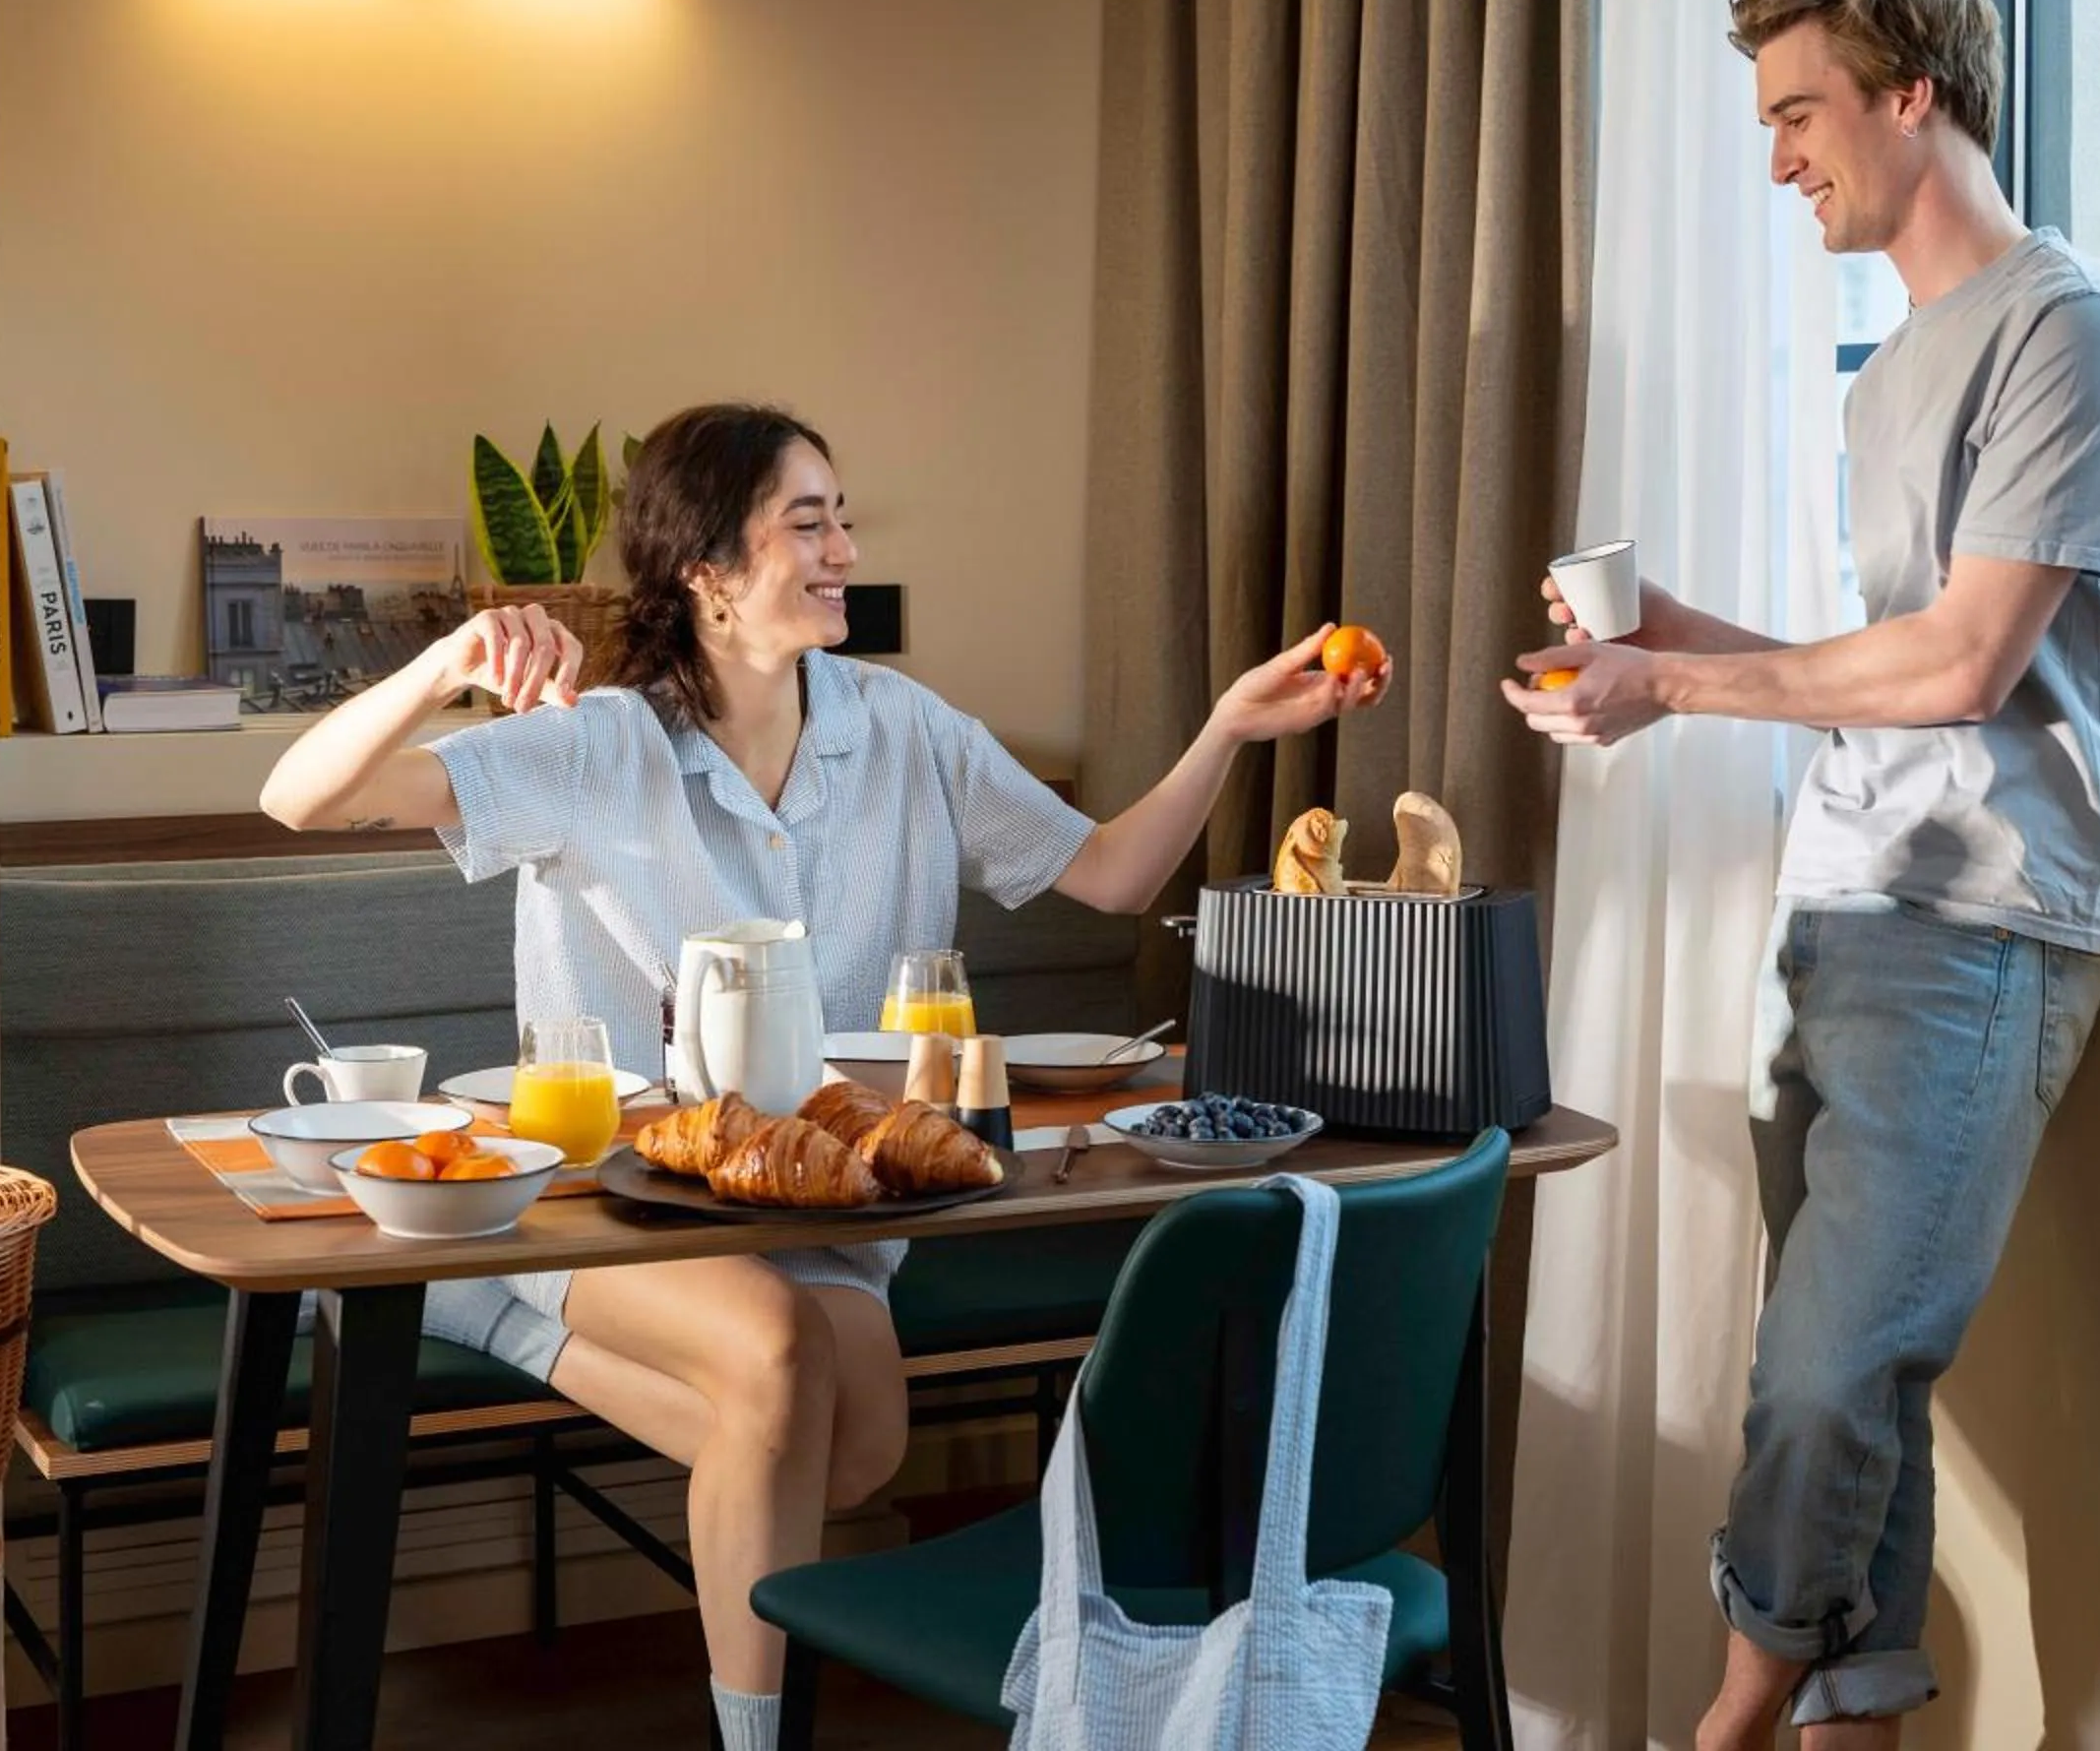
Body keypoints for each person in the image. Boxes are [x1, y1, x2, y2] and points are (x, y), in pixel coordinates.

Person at [261, 401, 1385, 1750]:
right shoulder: (598, 746)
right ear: (708, 569)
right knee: (783, 1361)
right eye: (809, 523)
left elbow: (1113, 875)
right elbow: (301, 798)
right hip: (602, 1200)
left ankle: (496, 1321)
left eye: (844, 518)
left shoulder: (900, 726)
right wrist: (448, 658)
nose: (845, 546)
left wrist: (1226, 729)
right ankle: (754, 1739)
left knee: (854, 1446)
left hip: (830, 1198)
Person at [1504, 0, 2100, 1749]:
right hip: (1840, 907)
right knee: (1844, 1392)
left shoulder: (2077, 334)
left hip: (1982, 920)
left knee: (1824, 1384)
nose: (1779, 157)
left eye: (1800, 112)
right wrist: (1670, 637)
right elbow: (1877, 680)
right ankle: (1848, 1719)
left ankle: (1729, 1715)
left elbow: (1969, 663)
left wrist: (1677, 689)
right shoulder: (1891, 374)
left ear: (1916, 98)